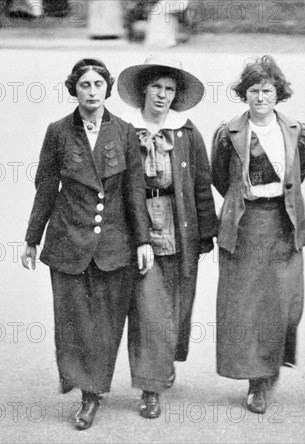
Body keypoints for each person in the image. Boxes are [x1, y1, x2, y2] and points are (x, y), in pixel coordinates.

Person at [20, 58, 153, 431]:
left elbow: (134, 192)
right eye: (84, 85)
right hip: (68, 241)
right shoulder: (58, 132)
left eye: (98, 85)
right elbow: (46, 186)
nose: (92, 92)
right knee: (72, 321)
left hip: (114, 245)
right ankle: (82, 386)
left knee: (106, 324)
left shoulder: (125, 133)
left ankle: (93, 392)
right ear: (74, 90)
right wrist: (33, 238)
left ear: (107, 89)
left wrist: (142, 240)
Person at [117, 56, 217, 419]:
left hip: (179, 226)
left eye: (169, 89)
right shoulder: (123, 130)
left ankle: (160, 369)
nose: (162, 95)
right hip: (138, 226)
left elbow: (201, 186)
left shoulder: (187, 133)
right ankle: (151, 387)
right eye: (156, 86)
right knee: (148, 307)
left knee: (174, 305)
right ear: (143, 89)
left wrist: (207, 234)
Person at [211, 55, 305, 414]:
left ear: (278, 93)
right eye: (253, 90)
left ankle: (271, 369)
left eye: (268, 90)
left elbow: (299, 176)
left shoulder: (297, 131)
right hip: (245, 226)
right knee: (246, 308)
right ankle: (257, 381)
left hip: (283, 225)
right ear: (244, 94)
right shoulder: (228, 133)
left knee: (282, 306)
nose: (261, 97)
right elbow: (221, 179)